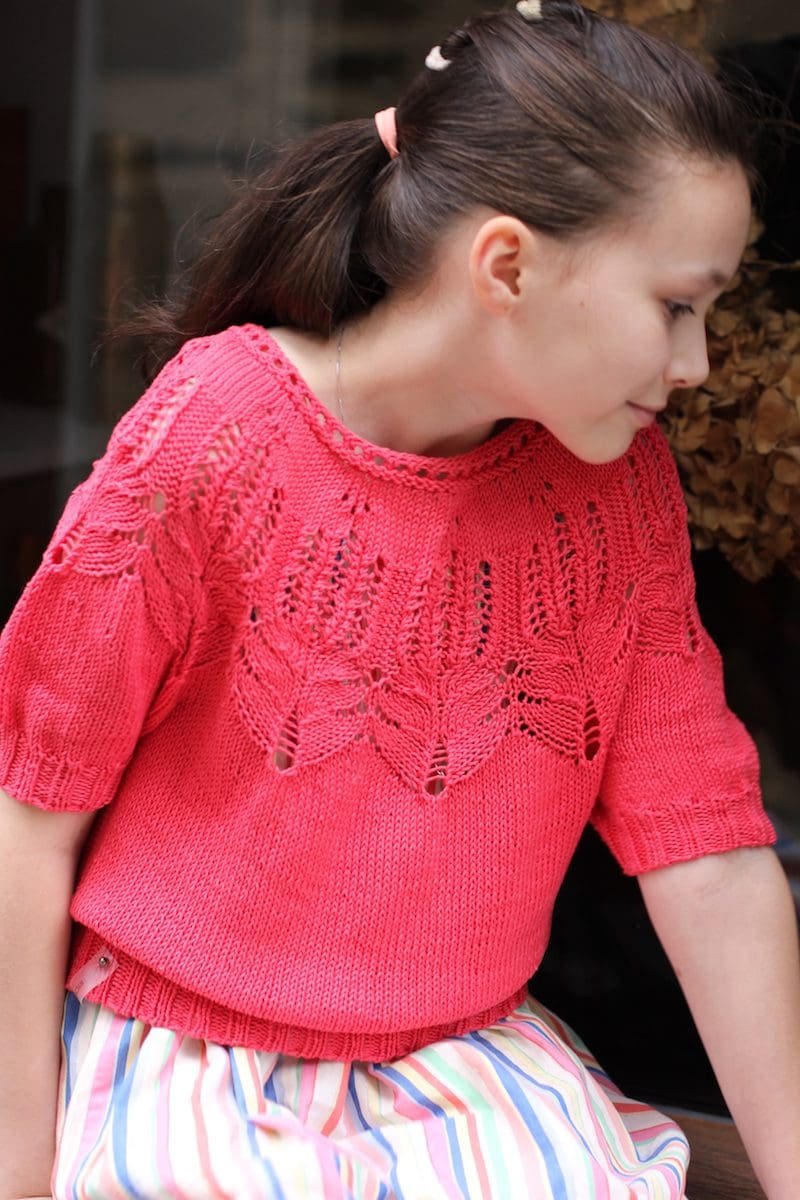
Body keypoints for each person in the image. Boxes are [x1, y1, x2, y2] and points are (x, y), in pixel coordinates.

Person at [1, 1, 799, 1197]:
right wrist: (17, 1163)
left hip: (465, 1071)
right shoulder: (212, 435)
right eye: (675, 305)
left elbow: (709, 855)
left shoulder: (612, 491)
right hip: (193, 1066)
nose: (691, 364)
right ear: (507, 267)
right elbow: (28, 816)